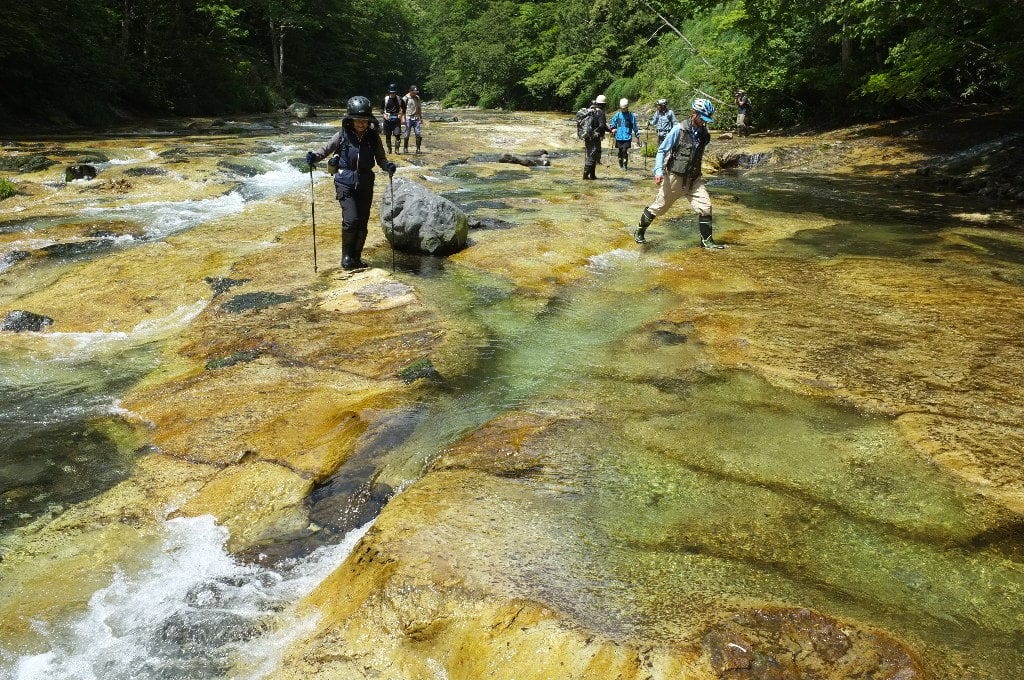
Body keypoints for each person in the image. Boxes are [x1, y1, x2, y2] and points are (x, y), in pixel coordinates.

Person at [306, 96, 397, 270]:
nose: (361, 124)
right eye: (358, 121)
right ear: (350, 120)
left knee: (362, 221)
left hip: (365, 182)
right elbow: (325, 150)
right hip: (344, 182)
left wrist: (388, 167)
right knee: (351, 220)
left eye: (365, 121)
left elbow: (381, 159)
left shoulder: (373, 137)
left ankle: (357, 257)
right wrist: (314, 157)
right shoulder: (341, 135)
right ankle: (346, 258)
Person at [633, 98, 724, 249]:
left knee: (706, 207)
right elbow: (662, 150)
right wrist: (658, 170)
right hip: (675, 177)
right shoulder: (679, 129)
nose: (704, 122)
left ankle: (707, 242)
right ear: (694, 113)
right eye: (702, 118)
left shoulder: (704, 133)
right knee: (659, 208)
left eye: (706, 119)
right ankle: (640, 231)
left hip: (694, 178)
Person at [583, 94, 611, 180]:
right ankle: (585, 176)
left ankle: (592, 176)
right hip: (595, 137)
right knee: (592, 156)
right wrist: (610, 130)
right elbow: (602, 126)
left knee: (591, 155)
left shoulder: (591, 110)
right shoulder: (600, 112)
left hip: (588, 136)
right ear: (603, 104)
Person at [608, 98, 640, 170]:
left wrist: (637, 136)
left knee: (624, 150)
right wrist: (612, 129)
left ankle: (625, 166)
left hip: (627, 137)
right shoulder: (617, 115)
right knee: (620, 151)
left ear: (627, 107)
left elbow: (634, 126)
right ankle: (620, 165)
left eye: (624, 108)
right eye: (622, 108)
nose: (623, 110)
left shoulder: (630, 115)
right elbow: (612, 123)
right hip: (618, 137)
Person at [401, 85, 424, 154]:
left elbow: (419, 108)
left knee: (418, 133)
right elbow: (402, 109)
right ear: (410, 91)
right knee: (407, 134)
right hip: (408, 117)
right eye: (414, 92)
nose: (415, 94)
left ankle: (418, 149)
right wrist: (402, 118)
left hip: (416, 118)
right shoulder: (405, 98)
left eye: (416, 92)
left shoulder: (417, 98)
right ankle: (405, 148)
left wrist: (421, 118)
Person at [382, 84, 403, 153]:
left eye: (394, 92)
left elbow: (404, 108)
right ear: (389, 92)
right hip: (387, 119)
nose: (392, 94)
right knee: (388, 135)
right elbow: (381, 109)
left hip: (396, 119)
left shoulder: (399, 99)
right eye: (391, 92)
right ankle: (389, 149)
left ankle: (397, 150)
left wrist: (401, 114)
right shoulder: (385, 99)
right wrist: (384, 115)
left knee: (397, 135)